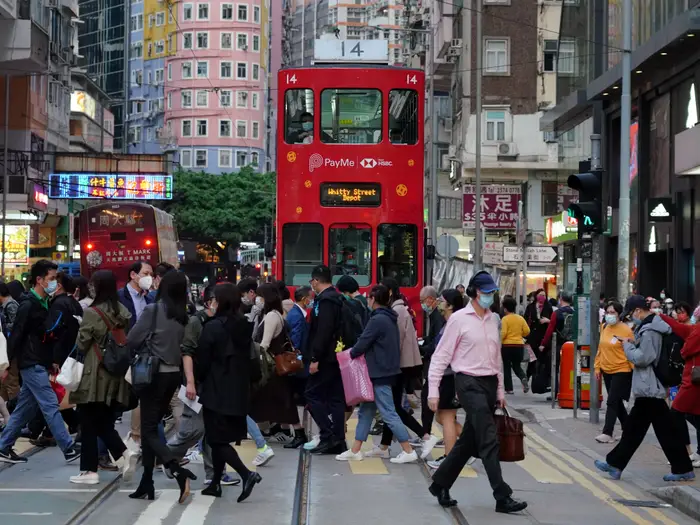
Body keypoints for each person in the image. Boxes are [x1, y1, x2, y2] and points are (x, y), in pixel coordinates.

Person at [427, 271, 527, 515]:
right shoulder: (459, 320)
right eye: (485, 293)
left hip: (490, 383)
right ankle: (502, 495)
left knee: (469, 441)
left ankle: (439, 484)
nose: (489, 297)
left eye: (492, 293)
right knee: (488, 437)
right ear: (473, 293)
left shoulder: (495, 320)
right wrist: (433, 391)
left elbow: (497, 359)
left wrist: (501, 390)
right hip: (467, 383)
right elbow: (441, 357)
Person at [594, 295, 694, 482]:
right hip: (649, 387)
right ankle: (615, 464)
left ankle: (682, 468)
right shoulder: (651, 328)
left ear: (638, 311)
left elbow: (644, 358)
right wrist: (633, 344)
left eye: (631, 314)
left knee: (660, 431)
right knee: (636, 429)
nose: (631, 318)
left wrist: (627, 347)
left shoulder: (649, 330)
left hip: (649, 387)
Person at [0, 260, 81, 464]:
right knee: (50, 404)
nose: (55, 283)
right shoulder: (28, 304)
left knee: (24, 409)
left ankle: (3, 446)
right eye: (51, 279)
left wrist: (51, 361)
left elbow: (44, 337)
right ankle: (69, 448)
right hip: (30, 362)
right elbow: (16, 335)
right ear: (39, 280)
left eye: (55, 279)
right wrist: (8, 364)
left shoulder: (45, 303)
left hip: (39, 362)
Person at [126, 271, 195, 503]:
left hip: (152, 376)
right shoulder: (183, 315)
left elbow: (133, 339)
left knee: (148, 429)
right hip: (173, 376)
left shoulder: (153, 310)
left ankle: (176, 470)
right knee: (152, 425)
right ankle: (147, 482)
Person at [68, 270, 138, 485]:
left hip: (94, 374)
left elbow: (82, 343)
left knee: (90, 420)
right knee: (100, 421)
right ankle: (95, 467)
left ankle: (115, 456)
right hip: (115, 374)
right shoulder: (123, 311)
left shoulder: (92, 312)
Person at [166, 284, 240, 486]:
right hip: (196, 385)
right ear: (210, 302)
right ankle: (163, 456)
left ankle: (215, 473)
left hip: (214, 386)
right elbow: (187, 351)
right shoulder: (196, 322)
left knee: (212, 432)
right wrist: (190, 382)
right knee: (193, 431)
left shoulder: (223, 321)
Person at [335, 284, 418, 464]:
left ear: (373, 300)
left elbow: (362, 343)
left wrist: (348, 354)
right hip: (382, 371)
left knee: (388, 412)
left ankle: (408, 449)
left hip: (379, 373)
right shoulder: (388, 317)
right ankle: (356, 449)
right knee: (366, 411)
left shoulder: (377, 320)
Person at [197, 283, 262, 501]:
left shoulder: (212, 327)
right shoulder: (244, 325)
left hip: (216, 390)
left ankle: (246, 474)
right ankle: (216, 482)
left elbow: (203, 362)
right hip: (239, 390)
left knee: (216, 440)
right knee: (221, 438)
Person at [378, 277, 436, 458]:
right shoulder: (401, 308)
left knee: (393, 408)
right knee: (392, 407)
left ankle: (425, 435)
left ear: (388, 292)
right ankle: (384, 447)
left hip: (399, 365)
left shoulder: (396, 311)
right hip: (403, 364)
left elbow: (396, 342)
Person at [27, 272, 83, 448]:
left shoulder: (58, 305)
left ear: (58, 285)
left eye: (52, 281)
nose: (49, 284)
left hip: (60, 356)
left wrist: (55, 358)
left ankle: (71, 426)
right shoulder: (73, 303)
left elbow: (53, 331)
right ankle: (49, 432)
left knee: (54, 395)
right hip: (73, 354)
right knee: (58, 395)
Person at [249, 284, 303, 444]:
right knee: (280, 400)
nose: (257, 299)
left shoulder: (272, 316)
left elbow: (265, 343)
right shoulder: (273, 314)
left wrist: (254, 357)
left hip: (272, 366)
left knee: (282, 399)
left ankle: (297, 433)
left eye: (260, 296)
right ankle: (284, 430)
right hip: (273, 365)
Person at [305, 265, 347, 455]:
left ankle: (328, 434)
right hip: (336, 355)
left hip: (325, 358)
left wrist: (315, 358)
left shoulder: (326, 301)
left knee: (311, 394)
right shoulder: (338, 298)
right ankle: (338, 439)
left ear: (315, 281)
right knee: (336, 398)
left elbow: (323, 331)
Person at [426, 289, 467, 471]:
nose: (439, 303)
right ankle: (474, 445)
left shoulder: (453, 324)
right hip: (448, 376)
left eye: (442, 300)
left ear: (450, 305)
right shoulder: (450, 322)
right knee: (442, 417)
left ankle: (450, 458)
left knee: (447, 417)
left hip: (450, 376)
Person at [659, 310, 700, 468]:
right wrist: (661, 316)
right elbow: (678, 327)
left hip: (694, 379)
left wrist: (683, 352)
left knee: (676, 411)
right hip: (693, 378)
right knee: (695, 415)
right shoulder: (694, 328)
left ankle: (682, 452)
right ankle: (695, 452)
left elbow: (686, 350)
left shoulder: (697, 330)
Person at [593, 301, 634, 444]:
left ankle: (607, 432)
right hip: (606, 369)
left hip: (622, 369)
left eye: (613, 312)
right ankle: (629, 430)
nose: (610, 315)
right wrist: (597, 367)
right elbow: (600, 349)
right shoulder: (604, 326)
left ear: (619, 314)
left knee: (611, 401)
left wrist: (634, 371)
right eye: (607, 312)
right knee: (616, 402)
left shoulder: (626, 330)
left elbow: (631, 351)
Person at [285, 285, 312, 450]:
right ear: (304, 299)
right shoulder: (296, 315)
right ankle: (301, 434)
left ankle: (301, 434)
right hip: (298, 365)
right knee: (302, 397)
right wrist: (300, 360)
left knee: (305, 397)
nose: (312, 301)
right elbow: (295, 342)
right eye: (310, 298)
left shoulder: (298, 314)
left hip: (301, 364)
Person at [418, 286, 446, 451]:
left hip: (436, 365)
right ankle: (425, 432)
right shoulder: (434, 315)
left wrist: (422, 348)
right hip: (436, 364)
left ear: (430, 299)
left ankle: (426, 433)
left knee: (429, 400)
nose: (422, 305)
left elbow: (437, 343)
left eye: (422, 301)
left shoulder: (438, 317)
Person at [500, 295, 530, 395]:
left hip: (507, 346)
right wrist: (519, 335)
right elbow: (527, 331)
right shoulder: (520, 318)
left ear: (505, 308)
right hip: (519, 346)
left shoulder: (505, 319)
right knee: (517, 365)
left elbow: (503, 333)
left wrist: (499, 341)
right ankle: (523, 377)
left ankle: (509, 389)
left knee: (507, 367)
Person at [524, 289, 554, 387]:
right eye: (540, 295)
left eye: (544, 295)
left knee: (541, 359)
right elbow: (525, 320)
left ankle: (539, 380)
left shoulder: (548, 307)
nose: (542, 297)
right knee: (532, 359)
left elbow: (553, 321)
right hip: (532, 336)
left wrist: (547, 320)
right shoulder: (530, 307)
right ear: (536, 295)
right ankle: (528, 377)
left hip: (543, 337)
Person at [0, 282, 20, 407]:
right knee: (4, 383)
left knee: (11, 382)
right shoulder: (4, 305)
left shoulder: (11, 305)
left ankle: (14, 409)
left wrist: (3, 327)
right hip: (5, 350)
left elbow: (16, 326)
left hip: (11, 351)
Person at [118, 261, 155, 330]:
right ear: (133, 275)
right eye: (146, 274)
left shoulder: (150, 298)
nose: (149, 278)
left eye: (151, 275)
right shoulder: (119, 297)